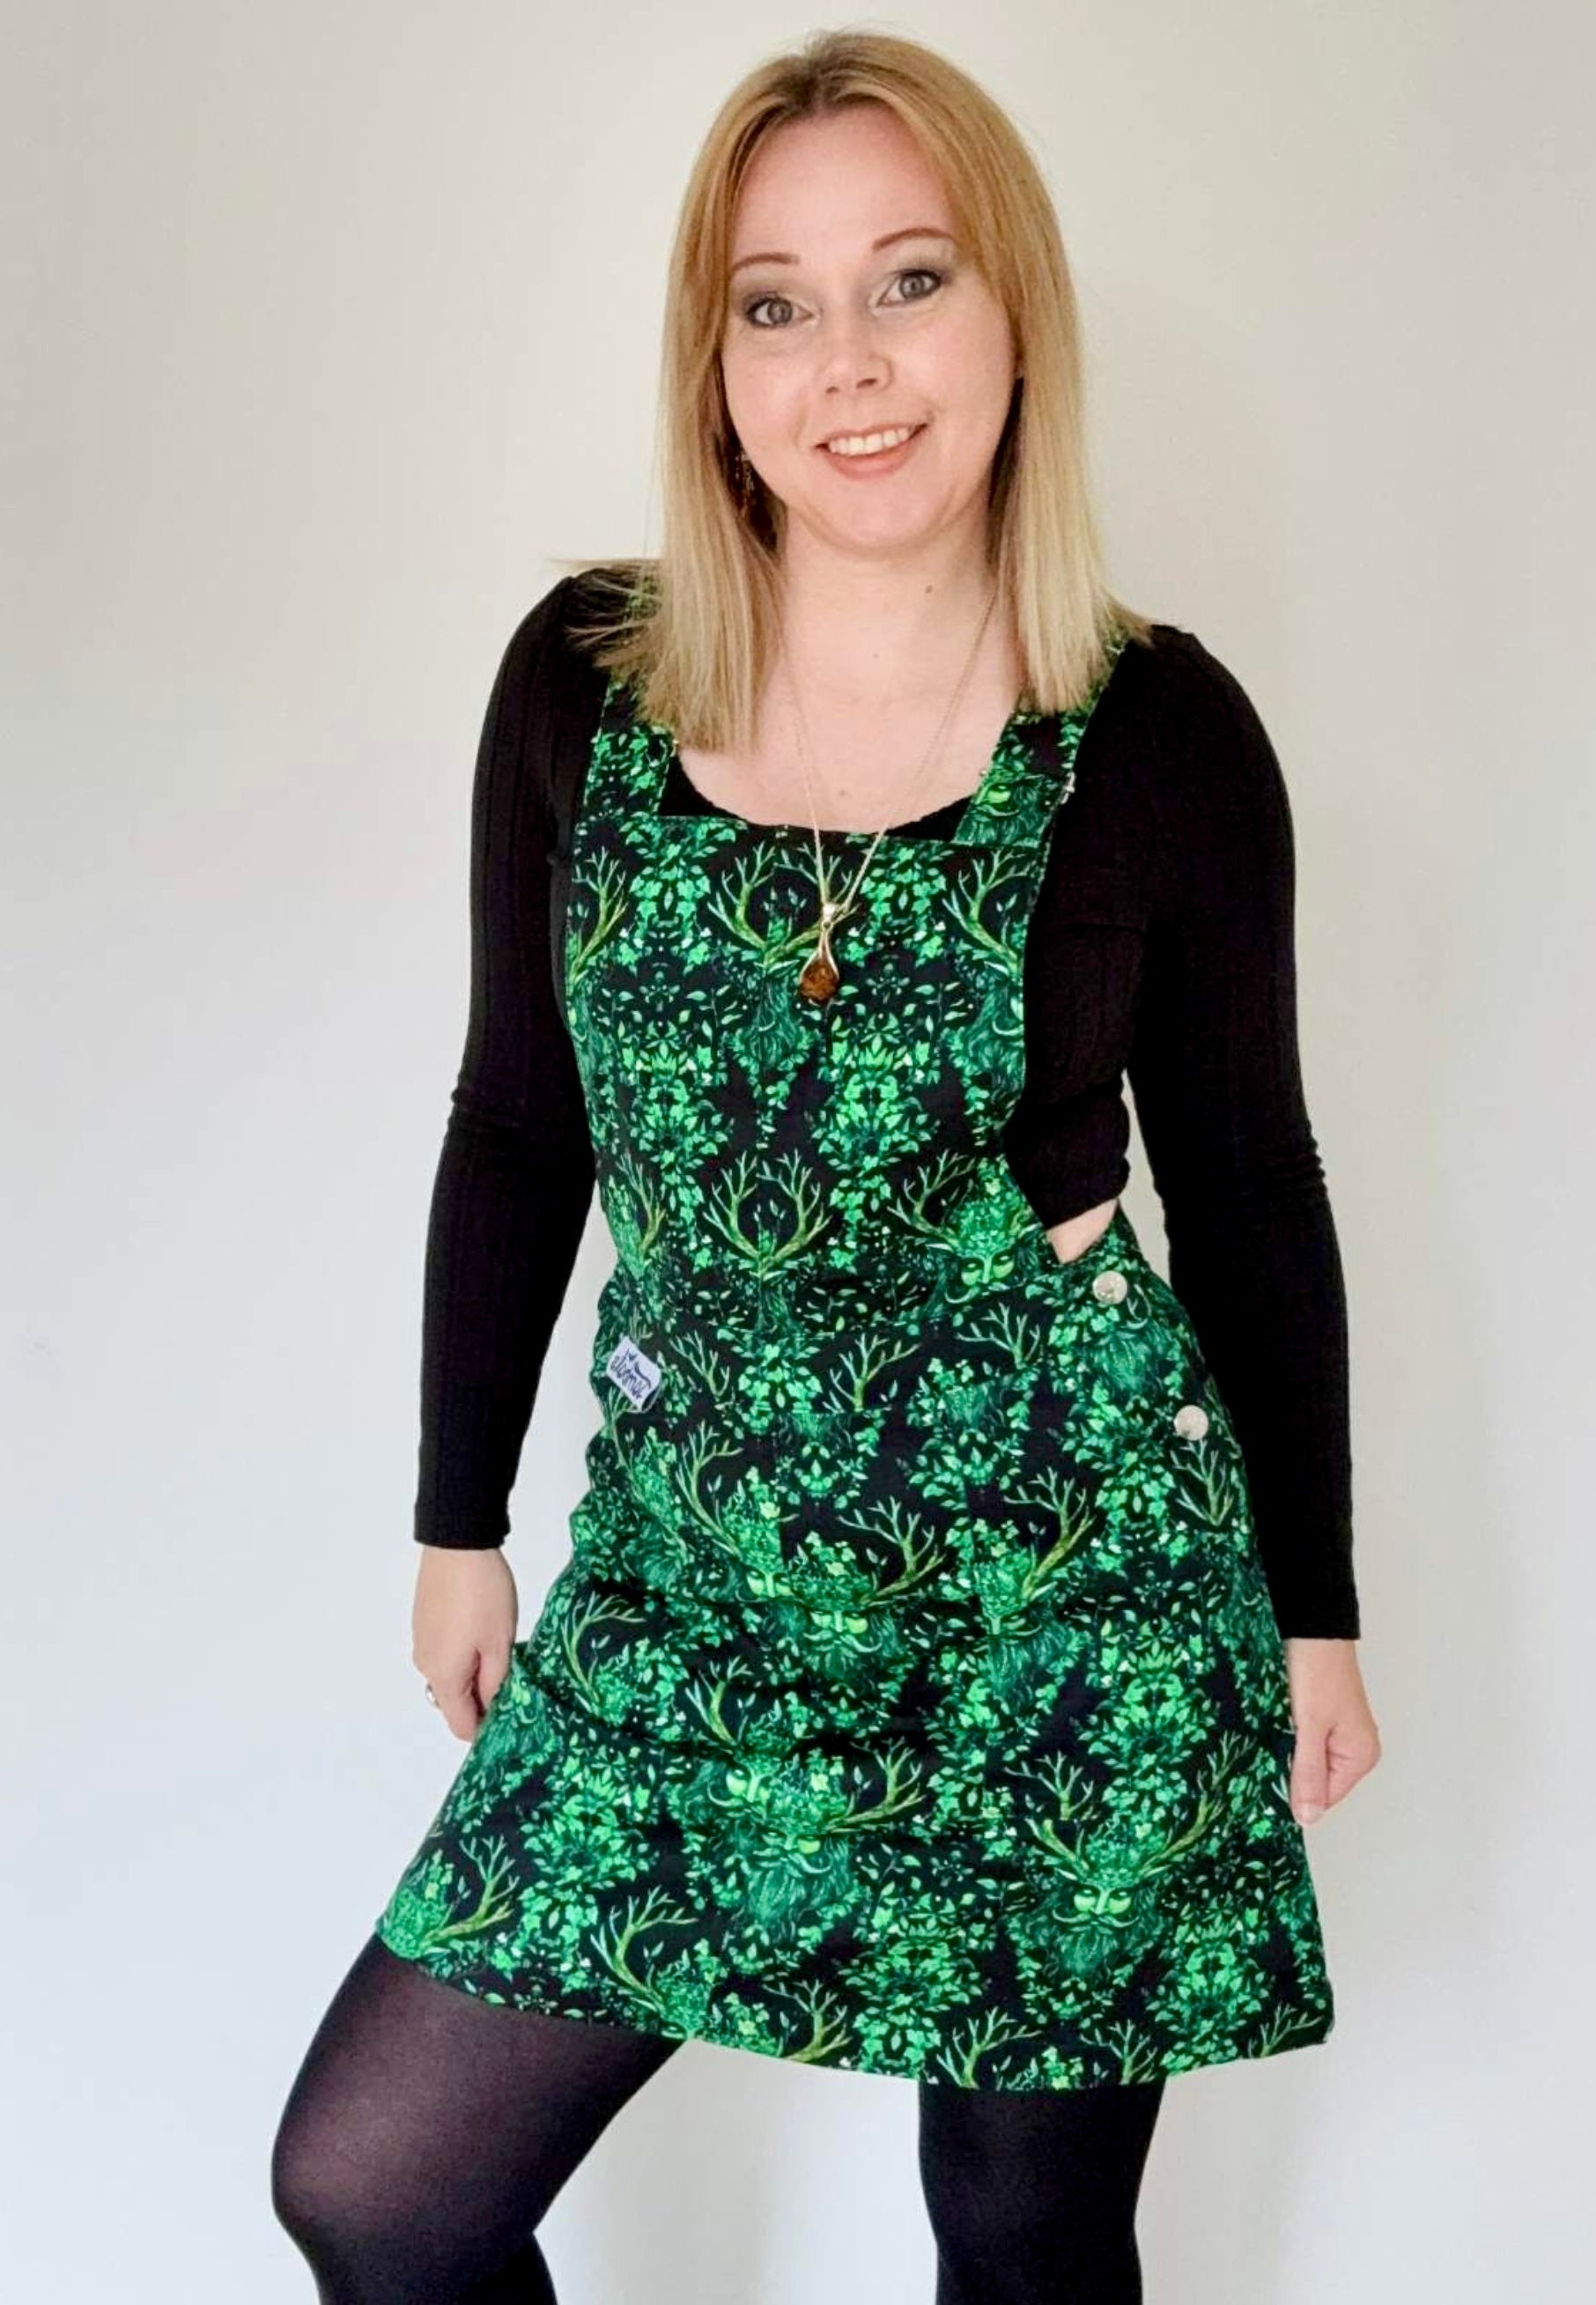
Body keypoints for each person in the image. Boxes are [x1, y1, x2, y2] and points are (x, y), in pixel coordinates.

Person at [270, 27, 1381, 2302]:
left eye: (909, 281)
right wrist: (456, 1516)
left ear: (1010, 324)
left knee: (1022, 2230)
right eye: (773, 302)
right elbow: (517, 1114)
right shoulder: (580, 683)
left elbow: (1249, 1180)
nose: (847, 365)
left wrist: (1310, 1600)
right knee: (378, 2192)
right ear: (712, 359)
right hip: (691, 1578)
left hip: (1057, 1600)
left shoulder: (1155, 728)